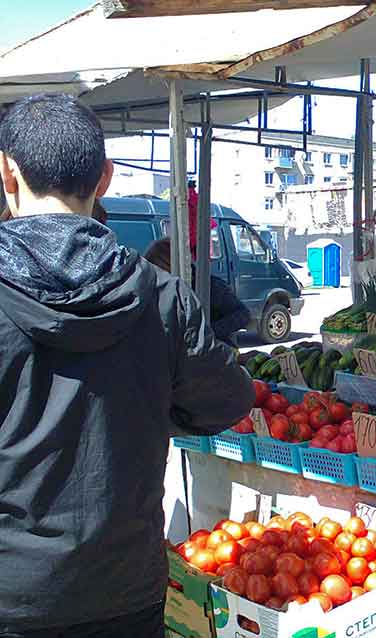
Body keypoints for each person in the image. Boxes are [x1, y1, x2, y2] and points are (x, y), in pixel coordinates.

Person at [0, 93, 254, 637]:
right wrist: (156, 407)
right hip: (124, 589)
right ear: (106, 178)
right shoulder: (163, 298)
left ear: (7, 173)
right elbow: (227, 400)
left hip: (14, 593)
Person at [144, 237, 251, 347]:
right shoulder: (155, 288)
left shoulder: (209, 286)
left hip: (215, 353)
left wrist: (206, 332)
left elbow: (243, 315)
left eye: (159, 270)